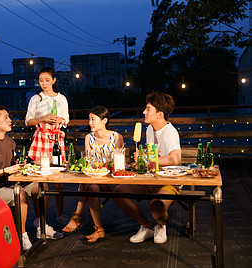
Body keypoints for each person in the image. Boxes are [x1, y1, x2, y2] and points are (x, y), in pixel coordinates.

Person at [0, 105, 63, 251]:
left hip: (11, 183)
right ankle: (22, 236)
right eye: (6, 118)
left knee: (40, 186)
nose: (10, 120)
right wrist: (6, 170)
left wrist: (26, 164)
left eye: (9, 117)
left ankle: (42, 227)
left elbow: (15, 163)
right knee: (20, 195)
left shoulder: (9, 141)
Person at [113, 91, 181, 244]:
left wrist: (149, 157)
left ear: (159, 114)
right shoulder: (150, 129)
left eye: (148, 109)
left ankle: (161, 225)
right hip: (150, 179)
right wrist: (141, 159)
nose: (144, 112)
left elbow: (176, 158)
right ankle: (146, 226)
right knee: (118, 192)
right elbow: (152, 155)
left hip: (168, 181)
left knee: (155, 205)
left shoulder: (169, 132)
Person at [62, 106, 124, 244]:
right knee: (91, 187)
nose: (89, 122)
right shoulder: (88, 138)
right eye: (89, 119)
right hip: (94, 180)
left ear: (104, 120)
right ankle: (99, 229)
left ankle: (77, 216)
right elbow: (88, 162)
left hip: (111, 181)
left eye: (93, 119)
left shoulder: (116, 137)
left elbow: (119, 164)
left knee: (87, 183)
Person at [25, 67, 70, 225]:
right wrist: (43, 118)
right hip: (41, 137)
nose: (43, 83)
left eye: (47, 80)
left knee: (59, 179)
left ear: (54, 80)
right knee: (39, 179)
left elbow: (67, 119)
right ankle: (39, 217)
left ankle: (60, 214)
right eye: (41, 80)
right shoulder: (36, 98)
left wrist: (60, 120)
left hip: (57, 138)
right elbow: (28, 121)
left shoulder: (62, 99)